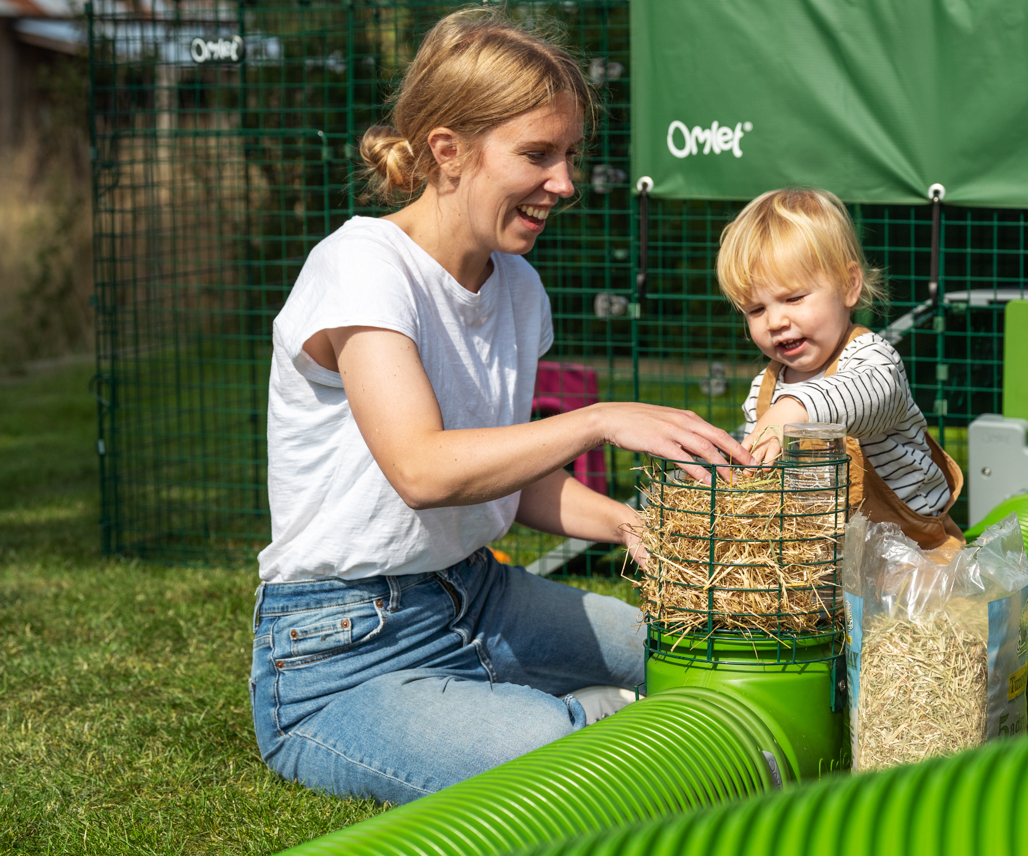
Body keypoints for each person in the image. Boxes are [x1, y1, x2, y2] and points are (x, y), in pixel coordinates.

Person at [249, 8, 750, 806]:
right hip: (342, 651)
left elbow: (501, 474)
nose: (565, 183)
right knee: (560, 755)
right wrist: (597, 419)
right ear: (449, 151)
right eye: (538, 155)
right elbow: (423, 469)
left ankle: (594, 715)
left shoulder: (517, 286)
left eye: (570, 156)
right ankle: (583, 722)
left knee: (689, 644)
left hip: (478, 594)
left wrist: (627, 523)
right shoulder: (360, 268)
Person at [718, 187, 965, 550]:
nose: (775, 321)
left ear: (849, 286)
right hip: (823, 556)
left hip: (912, 552)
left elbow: (866, 395)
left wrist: (793, 408)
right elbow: (757, 453)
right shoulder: (766, 387)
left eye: (793, 298)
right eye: (756, 310)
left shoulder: (873, 359)